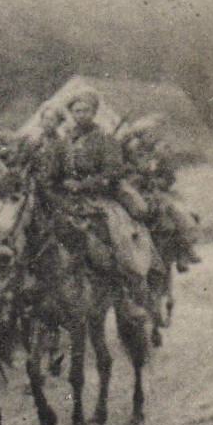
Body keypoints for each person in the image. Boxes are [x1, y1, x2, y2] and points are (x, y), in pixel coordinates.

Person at [38, 89, 157, 318]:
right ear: (71, 113)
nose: (80, 115)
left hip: (100, 199)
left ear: (93, 113)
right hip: (67, 201)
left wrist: (84, 185)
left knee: (117, 234)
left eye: (85, 111)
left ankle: (130, 292)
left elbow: (113, 172)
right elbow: (51, 175)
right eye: (76, 111)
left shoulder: (105, 140)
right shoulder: (63, 143)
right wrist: (55, 190)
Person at [122, 119, 202, 272]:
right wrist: (137, 179)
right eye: (148, 134)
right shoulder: (131, 152)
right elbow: (126, 171)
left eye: (154, 134)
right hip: (136, 190)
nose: (152, 137)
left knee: (179, 213)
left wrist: (159, 182)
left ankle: (183, 250)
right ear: (140, 136)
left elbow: (169, 176)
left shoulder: (160, 153)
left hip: (158, 191)